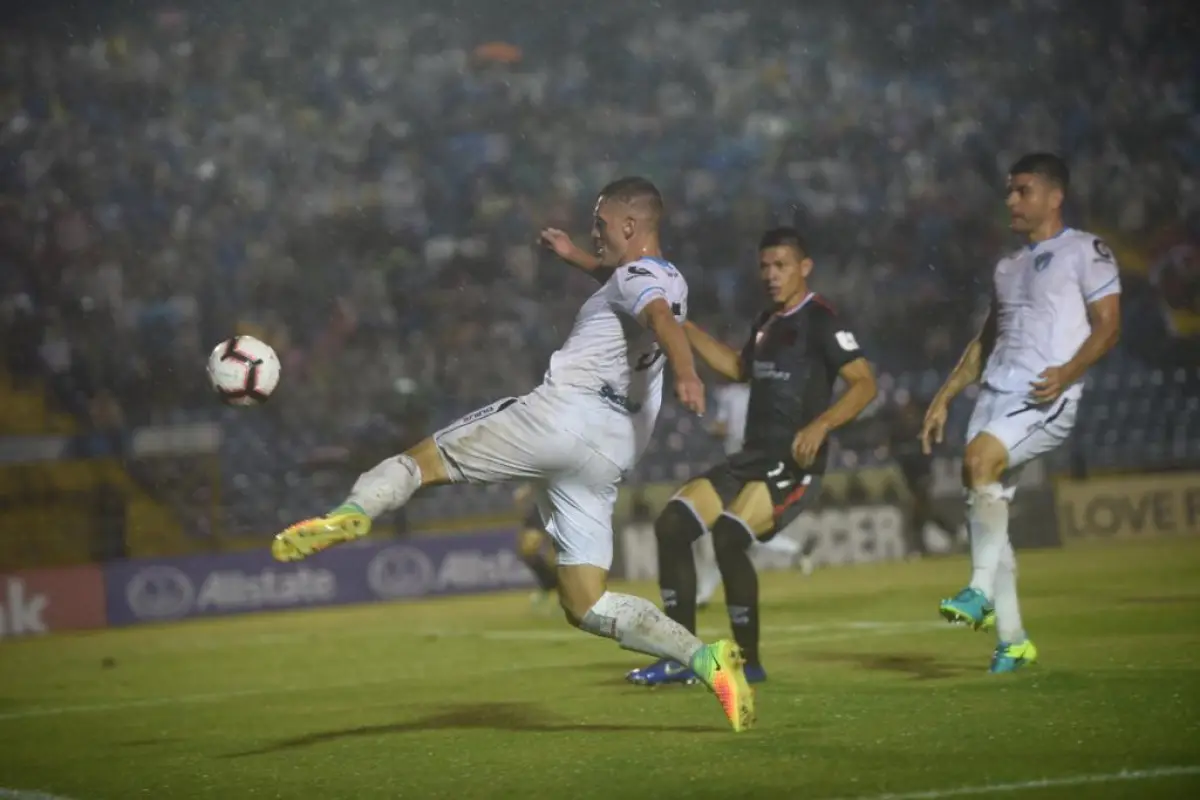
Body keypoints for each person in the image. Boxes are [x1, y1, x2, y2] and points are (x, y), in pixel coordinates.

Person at [272, 177, 756, 732]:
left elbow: (661, 321)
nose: (593, 233)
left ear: (629, 225)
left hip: (562, 417)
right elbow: (637, 294)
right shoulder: (663, 278)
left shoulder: (645, 285)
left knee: (419, 462)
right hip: (609, 453)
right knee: (586, 604)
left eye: (599, 225)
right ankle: (706, 659)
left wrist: (689, 375)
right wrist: (575, 256)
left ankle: (348, 515)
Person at [626, 227, 878, 686]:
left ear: (804, 268)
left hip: (793, 463)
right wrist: (683, 328)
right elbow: (740, 369)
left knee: (727, 536)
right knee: (672, 525)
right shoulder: (767, 322)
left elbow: (864, 383)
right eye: (764, 266)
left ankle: (749, 661)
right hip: (751, 458)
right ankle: (679, 655)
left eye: (780, 266)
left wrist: (821, 425)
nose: (770, 275)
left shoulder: (822, 320)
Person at [920, 153, 1121, 673]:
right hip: (995, 395)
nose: (1011, 200)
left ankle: (978, 591)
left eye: (1022, 190)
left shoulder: (1085, 251)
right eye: (1009, 190)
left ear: (1055, 197)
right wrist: (943, 397)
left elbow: (1108, 326)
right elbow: (986, 342)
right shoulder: (1007, 267)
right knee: (989, 514)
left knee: (979, 463)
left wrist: (1069, 372)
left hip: (1044, 396)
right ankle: (1012, 642)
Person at [695, 379, 807, 609]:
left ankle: (704, 595)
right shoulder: (766, 395)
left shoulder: (730, 394)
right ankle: (794, 550)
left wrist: (705, 426)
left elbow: (722, 427)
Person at [512, 482, 559, 611]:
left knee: (557, 557)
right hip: (541, 509)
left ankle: (559, 590)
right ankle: (548, 585)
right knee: (527, 553)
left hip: (558, 509)